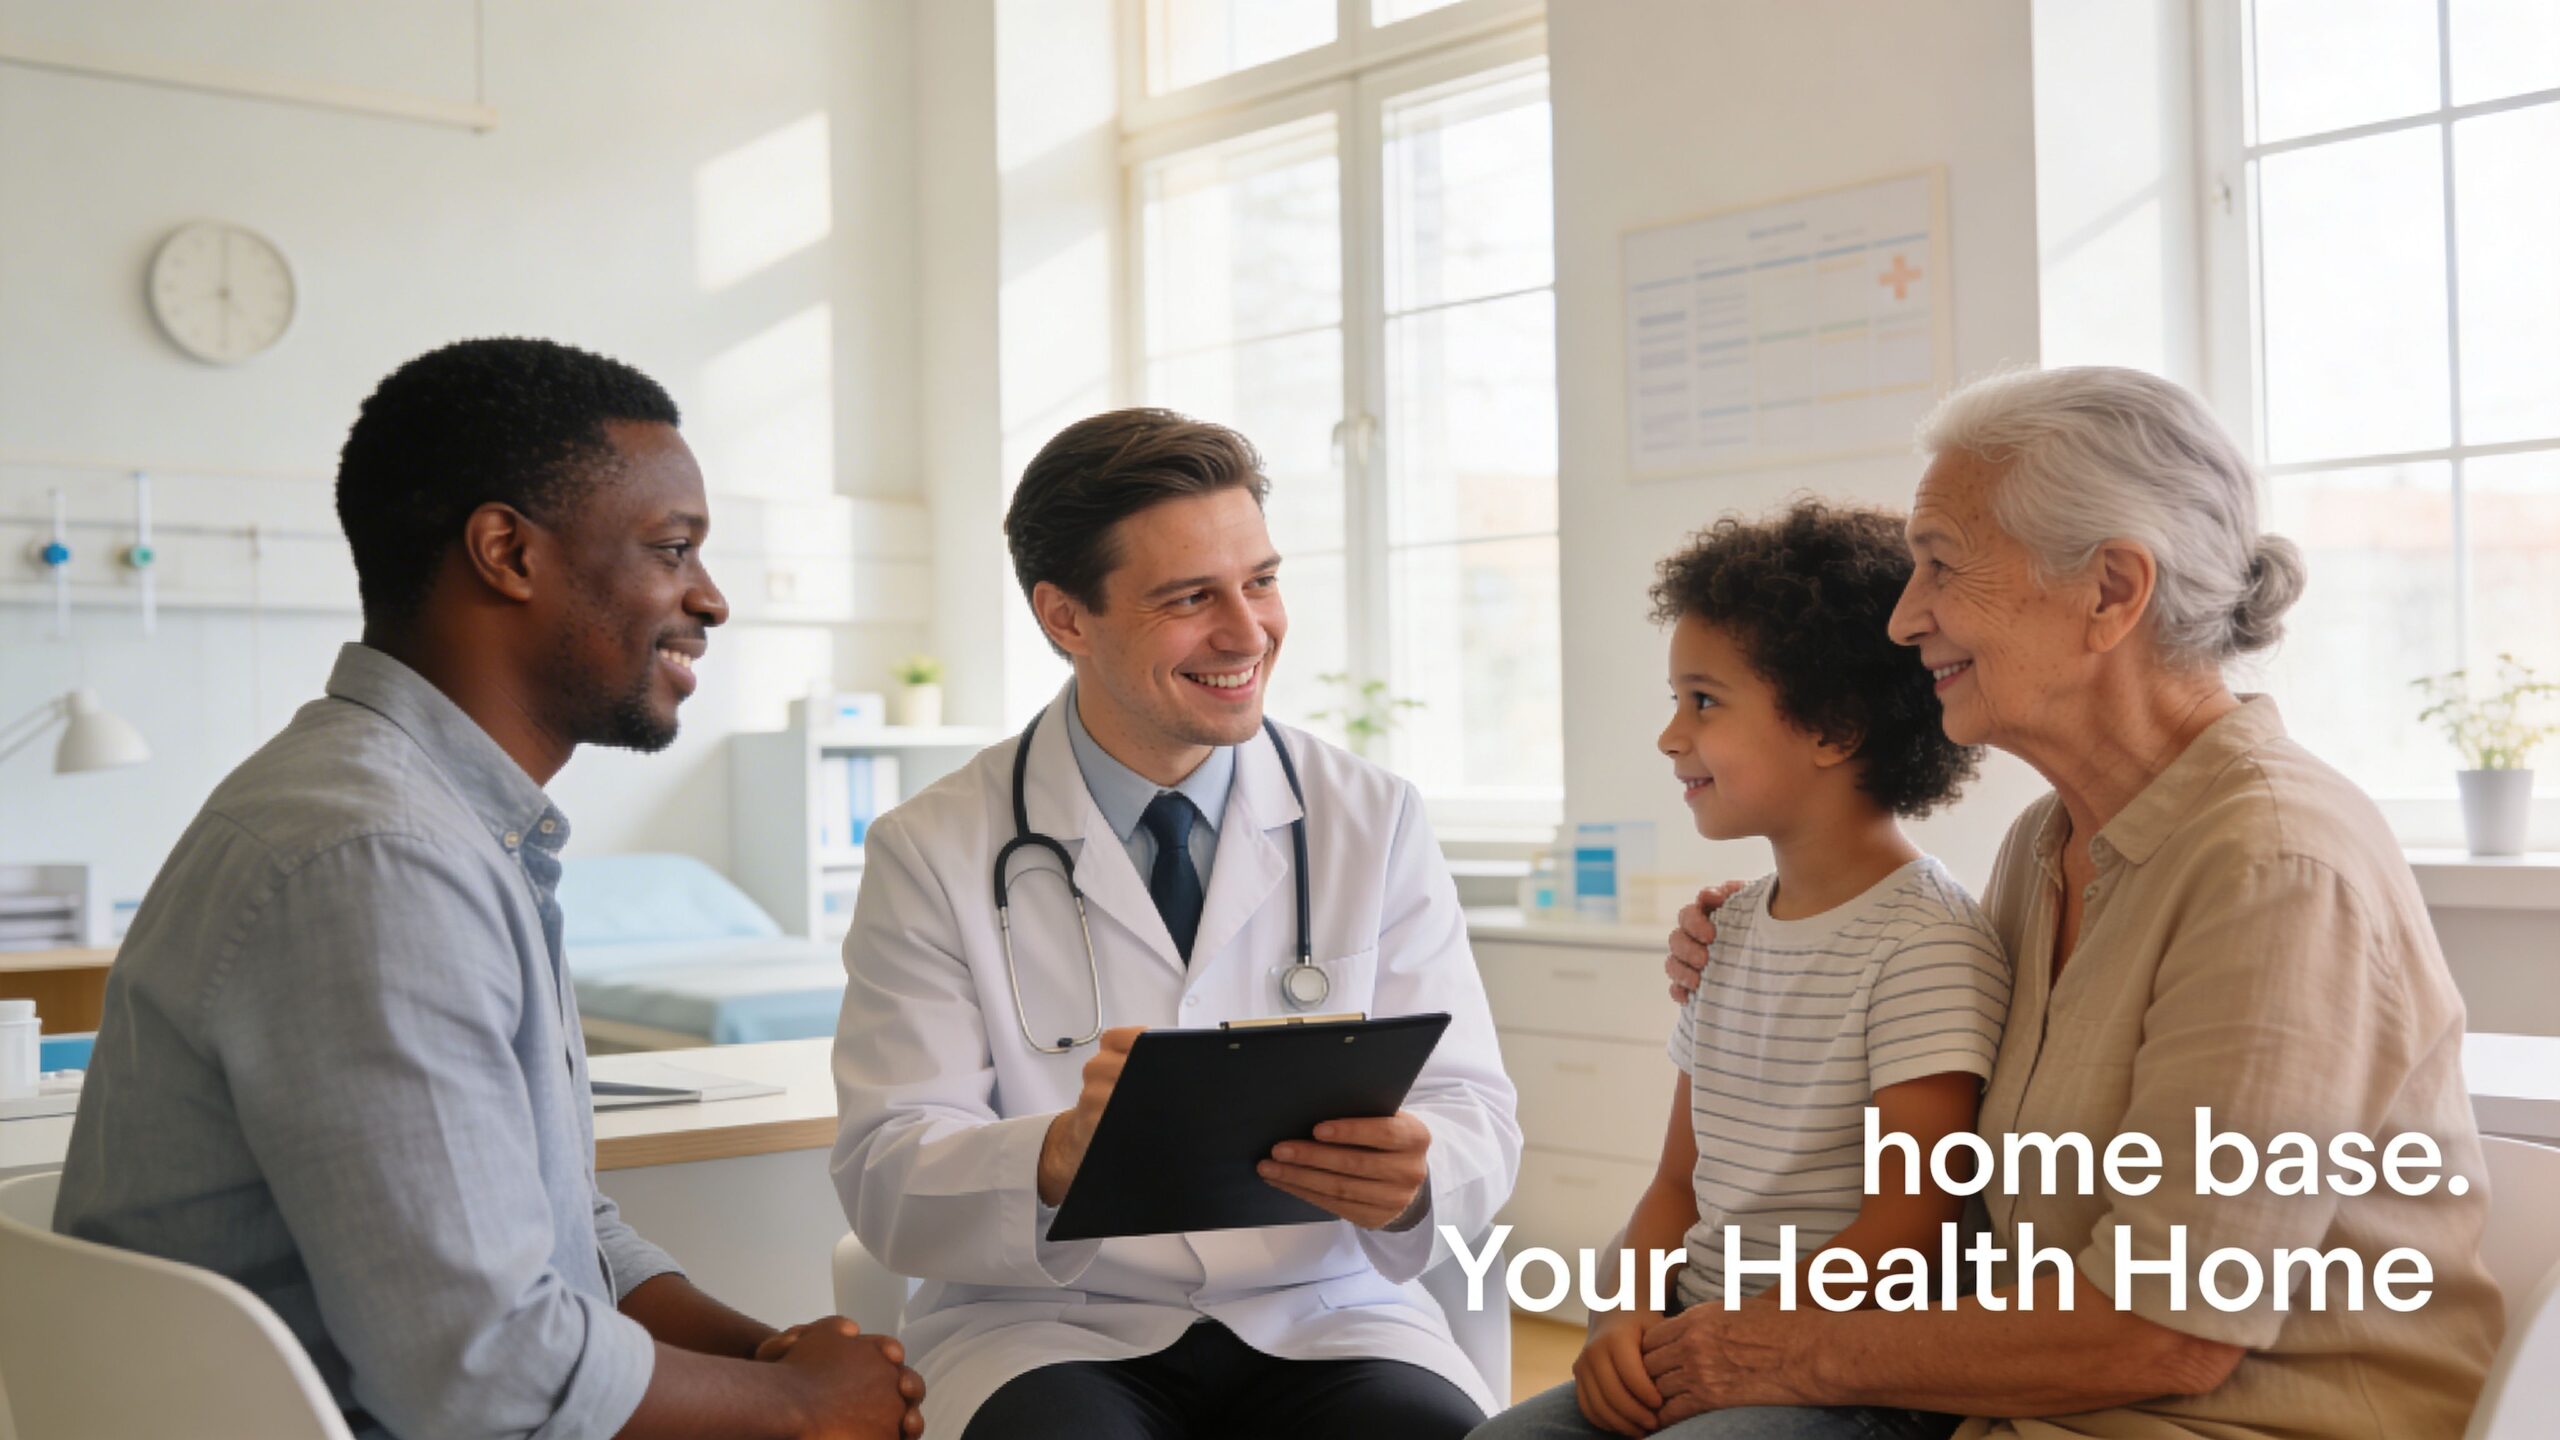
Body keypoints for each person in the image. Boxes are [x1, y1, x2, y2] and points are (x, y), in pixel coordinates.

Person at [55, 338, 924, 1440]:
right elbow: (485, 1374)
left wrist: (764, 1359)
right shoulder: (375, 857)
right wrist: (794, 1409)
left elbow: (566, 1231)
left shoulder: (442, 824)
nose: (710, 599)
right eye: (672, 549)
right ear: (506, 552)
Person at [1654, 367, 2502, 1436]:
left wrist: (1769, 1349)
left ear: (2110, 590)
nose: (1906, 619)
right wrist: (1765, 953)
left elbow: (2167, 1327)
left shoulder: (2274, 861)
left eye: (1940, 567)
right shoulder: (2043, 845)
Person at [829, 408, 1521, 1439]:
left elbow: (1474, 1106)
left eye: (1261, 581)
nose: (1247, 633)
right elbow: (888, 1165)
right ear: (1066, 618)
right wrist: (1057, 1155)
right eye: (1191, 598)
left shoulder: (1369, 817)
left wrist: (1417, 1171)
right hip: (1051, 1323)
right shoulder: (932, 848)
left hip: (1328, 1314)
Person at [1474, 501, 2007, 1440]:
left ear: (1833, 728)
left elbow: (1907, 1228)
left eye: (1704, 701)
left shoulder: (1924, 944)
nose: (1671, 735)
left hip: (1845, 1373)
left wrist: (1732, 1342)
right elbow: (1677, 1182)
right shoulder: (1731, 932)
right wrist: (1629, 1320)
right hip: (1699, 1336)